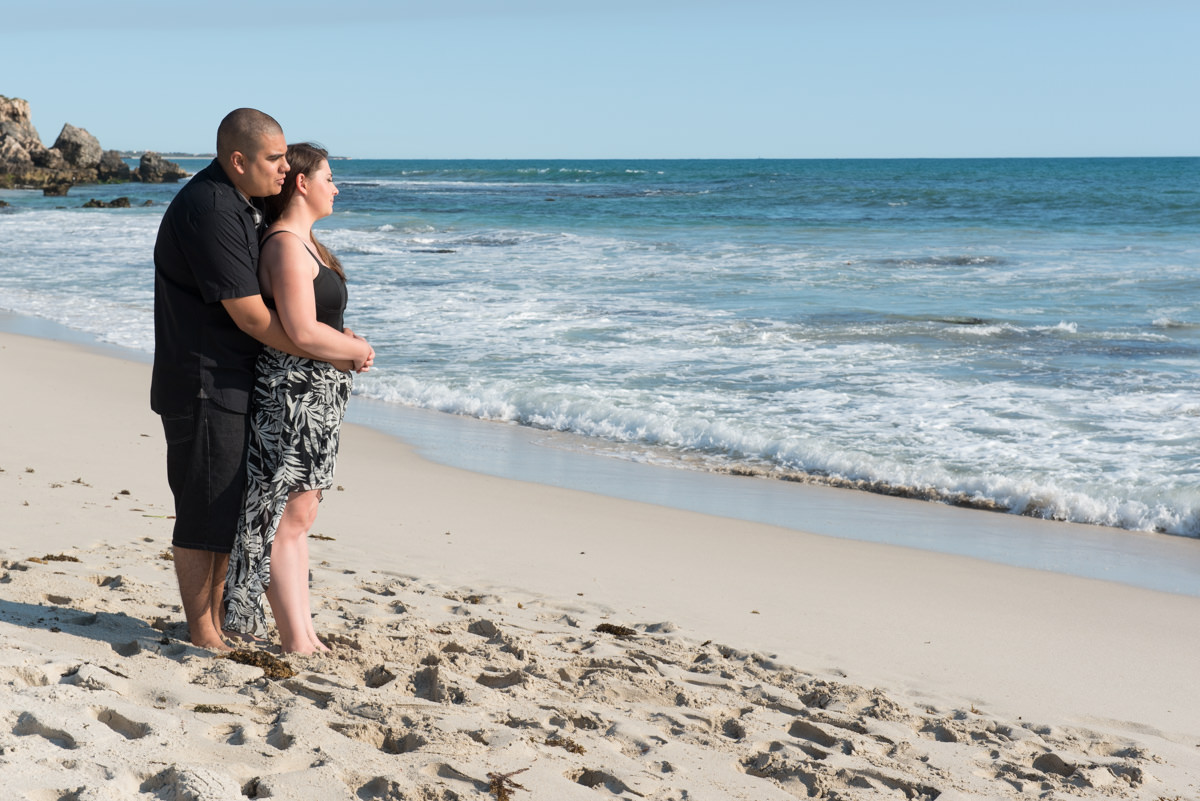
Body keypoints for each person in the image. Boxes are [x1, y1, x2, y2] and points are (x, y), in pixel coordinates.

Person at [151, 110, 367, 650]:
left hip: (232, 377)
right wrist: (330, 351)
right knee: (207, 508)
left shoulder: (241, 205)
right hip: (203, 378)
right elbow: (251, 316)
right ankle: (204, 633)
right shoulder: (213, 208)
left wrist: (327, 345)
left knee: (230, 506)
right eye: (274, 159)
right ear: (237, 160)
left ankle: (218, 623)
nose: (283, 168)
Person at [222, 142, 373, 654]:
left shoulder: (306, 244)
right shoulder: (285, 244)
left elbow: (315, 322)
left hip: (317, 395)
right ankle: (295, 639)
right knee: (287, 517)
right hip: (293, 396)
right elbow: (302, 332)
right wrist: (355, 347)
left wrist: (344, 339)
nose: (336, 186)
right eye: (329, 176)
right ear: (302, 184)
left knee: (301, 515)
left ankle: (303, 632)